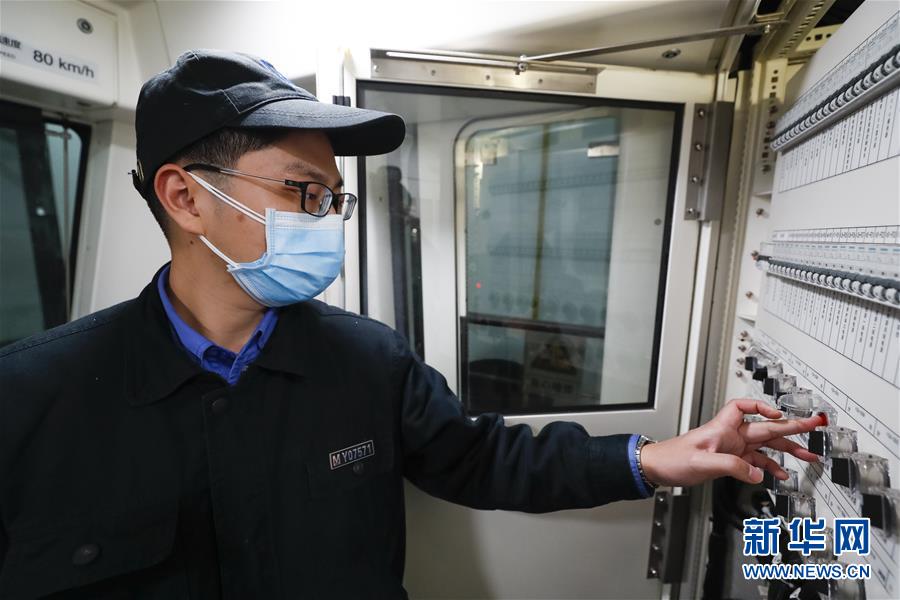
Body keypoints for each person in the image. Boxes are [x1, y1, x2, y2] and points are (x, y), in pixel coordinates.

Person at [0, 50, 823, 599]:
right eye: (301, 193)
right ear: (185, 197)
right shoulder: (31, 395)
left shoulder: (364, 359)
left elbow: (480, 460)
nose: (326, 219)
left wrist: (655, 457)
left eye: (334, 199)